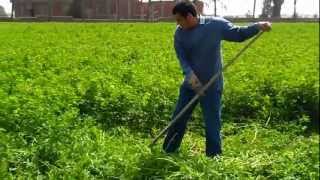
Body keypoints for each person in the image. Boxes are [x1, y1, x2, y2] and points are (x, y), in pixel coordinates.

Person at [163, 1, 271, 157]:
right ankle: (168, 152)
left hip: (212, 84)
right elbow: (183, 59)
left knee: (212, 122)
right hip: (190, 85)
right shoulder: (179, 33)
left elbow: (238, 34)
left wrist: (258, 26)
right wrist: (193, 80)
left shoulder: (215, 25)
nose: (177, 24)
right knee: (178, 118)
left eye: (179, 19)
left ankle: (214, 158)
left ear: (190, 16)